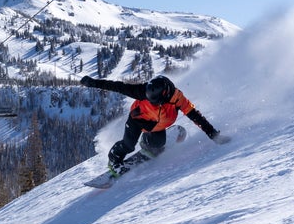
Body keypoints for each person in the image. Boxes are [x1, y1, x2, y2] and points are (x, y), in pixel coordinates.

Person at [80, 74, 229, 175]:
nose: (151, 102)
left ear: (165, 95)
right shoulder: (141, 91)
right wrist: (93, 83)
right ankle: (114, 161)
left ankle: (146, 143)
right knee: (128, 145)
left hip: (156, 126)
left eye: (155, 101)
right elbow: (116, 86)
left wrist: (213, 135)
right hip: (137, 121)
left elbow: (196, 117)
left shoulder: (178, 99)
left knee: (158, 143)